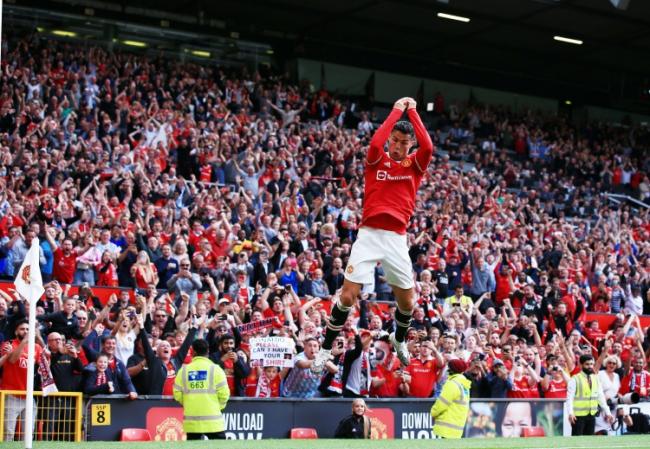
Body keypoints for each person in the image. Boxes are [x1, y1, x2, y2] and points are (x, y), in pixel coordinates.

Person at [313, 97, 434, 372]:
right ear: (391, 140)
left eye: (405, 142)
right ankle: (323, 350)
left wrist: (413, 111)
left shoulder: (415, 165)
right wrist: (396, 110)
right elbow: (376, 142)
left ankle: (399, 338)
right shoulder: (376, 159)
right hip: (368, 236)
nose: (400, 146)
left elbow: (427, 145)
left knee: (407, 302)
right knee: (346, 297)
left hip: (396, 238)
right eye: (396, 141)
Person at [173, 338, 230, 440]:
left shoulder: (184, 370)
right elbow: (224, 394)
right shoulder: (216, 369)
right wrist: (218, 407)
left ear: (192, 351)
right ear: (208, 351)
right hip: (214, 422)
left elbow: (177, 394)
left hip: (192, 423)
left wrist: (188, 403)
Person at [567, 354, 614, 436]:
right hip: (578, 416)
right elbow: (569, 398)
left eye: (591, 364)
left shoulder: (595, 378)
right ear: (581, 365)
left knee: (589, 441)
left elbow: (600, 397)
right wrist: (570, 413)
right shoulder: (575, 379)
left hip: (591, 415)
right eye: (587, 364)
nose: (590, 366)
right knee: (576, 442)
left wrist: (608, 412)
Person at [430, 359, 471, 439]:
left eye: (449, 367)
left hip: (447, 426)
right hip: (457, 426)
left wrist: (433, 413)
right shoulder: (464, 383)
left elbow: (442, 403)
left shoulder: (452, 384)